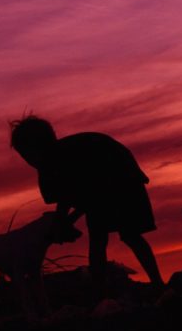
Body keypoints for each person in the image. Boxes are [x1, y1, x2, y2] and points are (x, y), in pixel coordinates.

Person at [9, 114, 164, 299]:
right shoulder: (52, 163)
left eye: (27, 155)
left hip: (121, 178)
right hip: (103, 185)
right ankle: (102, 293)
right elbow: (77, 197)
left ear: (38, 147)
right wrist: (64, 221)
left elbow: (72, 196)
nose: (28, 161)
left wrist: (63, 221)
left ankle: (153, 286)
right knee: (101, 238)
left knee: (126, 235)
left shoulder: (62, 157)